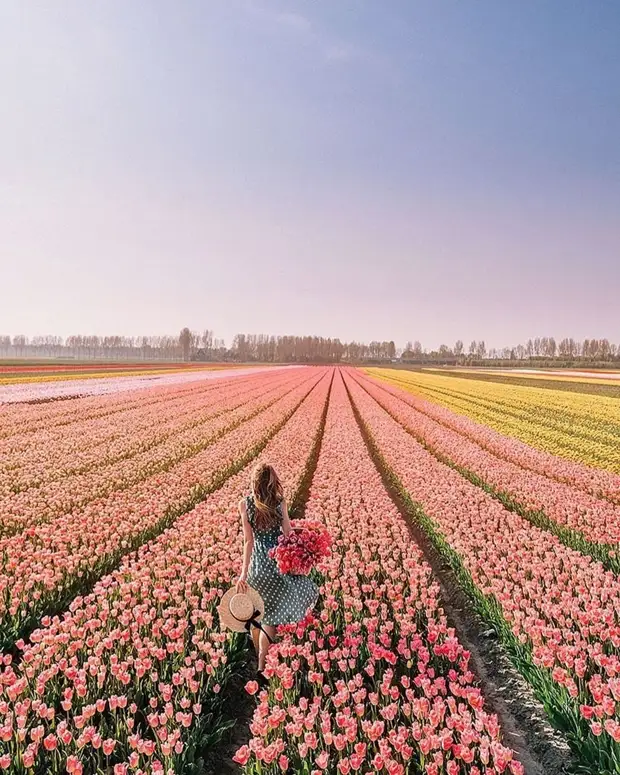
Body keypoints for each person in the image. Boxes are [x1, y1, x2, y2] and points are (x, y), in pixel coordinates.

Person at [236, 462, 318, 677]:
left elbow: (248, 541)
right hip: (277, 565)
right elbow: (288, 534)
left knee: (263, 616)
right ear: (273, 482)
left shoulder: (245, 504)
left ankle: (264, 659)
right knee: (281, 610)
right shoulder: (279, 502)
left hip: (257, 569)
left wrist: (244, 573)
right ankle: (264, 666)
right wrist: (306, 542)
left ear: (254, 482)